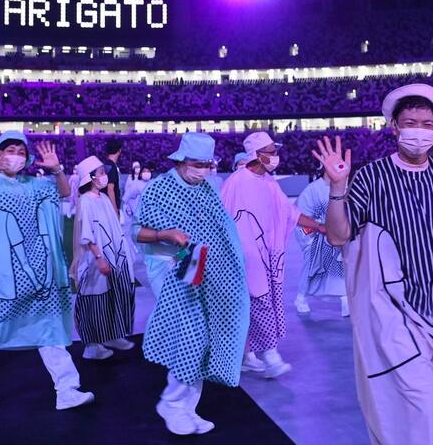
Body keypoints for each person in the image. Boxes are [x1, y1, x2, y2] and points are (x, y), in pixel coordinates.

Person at [316, 84, 433, 445]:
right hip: (394, 311)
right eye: (410, 122)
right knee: (417, 398)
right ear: (394, 127)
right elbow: (339, 236)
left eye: (426, 123)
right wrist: (338, 187)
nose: (418, 130)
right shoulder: (371, 178)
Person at [0, 131, 94, 412]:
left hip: (38, 275)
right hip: (0, 277)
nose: (14, 155)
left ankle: (67, 389)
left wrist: (57, 169)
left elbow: (63, 192)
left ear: (27, 157)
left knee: (48, 330)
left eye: (19, 150)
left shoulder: (34, 185)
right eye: (8, 149)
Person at [133, 133, 249, 435]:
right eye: (199, 165)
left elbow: (219, 228)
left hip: (204, 269)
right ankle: (170, 403)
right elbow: (137, 232)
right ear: (182, 161)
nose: (205, 170)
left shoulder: (208, 188)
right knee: (191, 336)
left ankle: (188, 407)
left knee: (207, 338)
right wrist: (165, 234)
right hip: (170, 268)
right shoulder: (160, 188)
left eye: (209, 165)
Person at [222, 131, 325, 379]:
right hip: (245, 258)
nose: (276, 156)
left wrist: (319, 226)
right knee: (260, 303)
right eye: (271, 151)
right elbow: (222, 220)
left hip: (267, 256)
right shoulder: (237, 182)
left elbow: (289, 212)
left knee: (250, 308)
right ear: (257, 155)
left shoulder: (268, 182)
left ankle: (247, 356)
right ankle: (270, 355)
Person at [70, 156, 136, 360]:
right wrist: (99, 257)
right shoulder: (85, 201)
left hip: (115, 256)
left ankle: (112, 334)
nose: (104, 176)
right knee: (94, 299)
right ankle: (92, 344)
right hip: (96, 260)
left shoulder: (104, 199)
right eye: (100, 173)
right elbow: (87, 233)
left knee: (115, 295)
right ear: (90, 178)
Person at [293, 165, 348, 317]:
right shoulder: (312, 190)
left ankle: (345, 299)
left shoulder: (346, 187)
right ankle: (301, 297)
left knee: (344, 264)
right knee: (313, 262)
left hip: (339, 235)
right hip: (317, 235)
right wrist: (315, 235)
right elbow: (300, 216)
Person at [122, 166, 152, 286]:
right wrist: (128, 209)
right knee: (132, 236)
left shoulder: (153, 184)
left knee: (147, 239)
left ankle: (147, 258)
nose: (146, 173)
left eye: (148, 171)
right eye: (144, 171)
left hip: (148, 217)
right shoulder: (136, 184)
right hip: (135, 215)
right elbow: (126, 198)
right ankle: (132, 257)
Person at [102, 139, 123, 217]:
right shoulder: (111, 166)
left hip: (104, 205)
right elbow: (110, 190)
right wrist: (115, 211)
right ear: (119, 150)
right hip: (110, 208)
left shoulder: (104, 164)